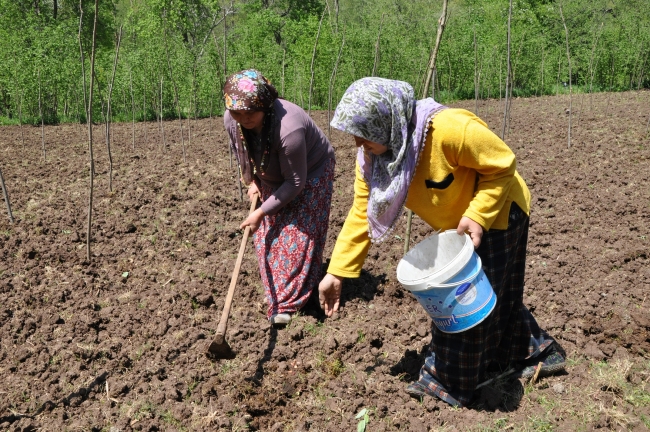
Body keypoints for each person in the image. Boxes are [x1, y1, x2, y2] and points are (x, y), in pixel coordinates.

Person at [318, 77, 565, 407]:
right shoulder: (372, 157)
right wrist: (337, 272)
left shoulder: (448, 129)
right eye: (355, 135)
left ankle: (443, 383)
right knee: (494, 292)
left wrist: (478, 214)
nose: (357, 144)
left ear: (387, 122)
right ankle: (538, 353)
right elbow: (362, 210)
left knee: (465, 299)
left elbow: (502, 164)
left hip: (501, 210)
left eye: (364, 134)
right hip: (459, 226)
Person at [223, 69, 335, 326]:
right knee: (267, 235)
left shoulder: (289, 128)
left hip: (312, 172)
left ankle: (288, 304)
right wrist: (252, 181)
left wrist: (261, 211)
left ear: (264, 104)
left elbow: (296, 182)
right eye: (238, 113)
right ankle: (278, 295)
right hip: (270, 173)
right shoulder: (232, 120)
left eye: (250, 111)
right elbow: (243, 151)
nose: (244, 118)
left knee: (298, 236)